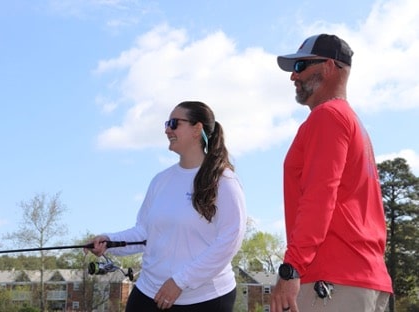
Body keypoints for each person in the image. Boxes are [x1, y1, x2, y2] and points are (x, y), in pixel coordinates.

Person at [271, 34, 393, 312]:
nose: (293, 77)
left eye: (300, 66)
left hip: (331, 282)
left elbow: (319, 197)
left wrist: (292, 268)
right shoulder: (352, 123)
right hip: (364, 280)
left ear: (328, 67)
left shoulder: (327, 116)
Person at [87, 101, 247, 312]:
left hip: (205, 298)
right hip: (148, 292)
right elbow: (144, 232)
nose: (167, 130)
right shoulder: (160, 181)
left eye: (174, 123)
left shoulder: (225, 181)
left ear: (197, 129)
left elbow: (228, 241)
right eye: (167, 123)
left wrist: (180, 281)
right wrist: (110, 241)